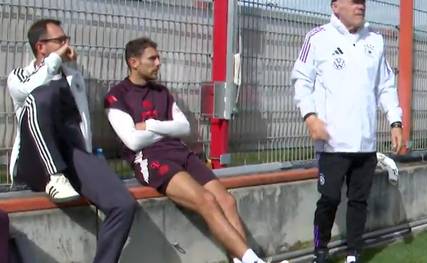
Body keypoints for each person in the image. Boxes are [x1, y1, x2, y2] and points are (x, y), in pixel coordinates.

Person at [105, 37, 287, 263]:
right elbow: (132, 141)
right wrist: (166, 129)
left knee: (227, 201)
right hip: (149, 158)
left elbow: (184, 127)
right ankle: (254, 261)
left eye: (158, 57)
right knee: (207, 200)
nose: (158, 62)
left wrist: (151, 125)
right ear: (133, 62)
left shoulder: (162, 92)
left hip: (179, 152)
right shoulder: (117, 95)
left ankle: (242, 260)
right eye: (152, 58)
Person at [7, 19, 136, 262]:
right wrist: (55, 61)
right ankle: (55, 174)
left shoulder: (72, 76)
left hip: (72, 153)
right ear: (41, 46)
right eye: (60, 40)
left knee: (123, 205)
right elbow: (31, 90)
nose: (67, 45)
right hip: (35, 157)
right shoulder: (19, 76)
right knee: (43, 94)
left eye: (67, 40)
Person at [291, 0, 403, 262]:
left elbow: (386, 86)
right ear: (335, 6)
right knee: (329, 199)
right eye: (353, 1)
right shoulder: (317, 38)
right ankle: (320, 249)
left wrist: (395, 121)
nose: (360, 6)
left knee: (358, 202)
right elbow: (301, 80)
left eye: (363, 1)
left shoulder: (375, 41)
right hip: (332, 143)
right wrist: (310, 117)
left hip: (365, 143)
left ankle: (354, 252)